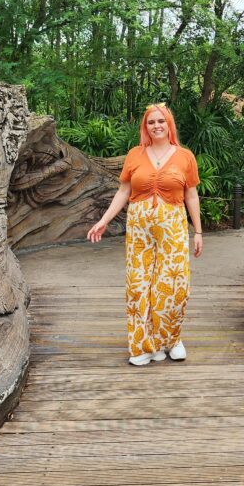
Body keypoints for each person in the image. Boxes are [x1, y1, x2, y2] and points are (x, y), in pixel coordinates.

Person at [87, 104, 203, 366]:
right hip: (139, 229)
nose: (156, 126)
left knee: (174, 287)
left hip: (173, 227)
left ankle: (170, 339)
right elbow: (123, 192)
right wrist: (104, 221)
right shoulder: (135, 155)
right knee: (139, 286)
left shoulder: (185, 156)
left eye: (161, 121)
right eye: (151, 122)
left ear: (169, 124)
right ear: (145, 127)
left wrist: (198, 231)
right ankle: (143, 344)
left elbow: (191, 195)